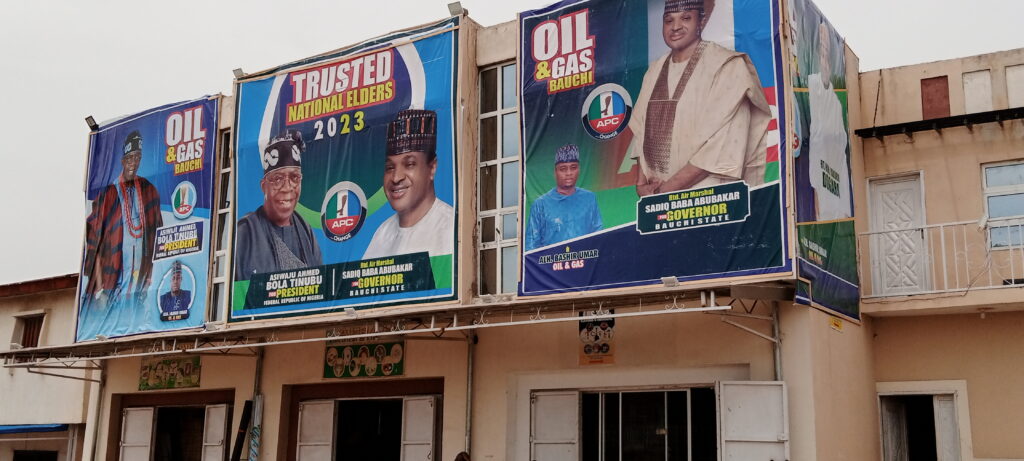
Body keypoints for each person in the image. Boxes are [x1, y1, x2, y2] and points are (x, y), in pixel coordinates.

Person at [630, 0, 772, 196]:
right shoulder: (653, 71)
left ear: (701, 21)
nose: (676, 27)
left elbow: (724, 144)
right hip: (656, 200)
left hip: (709, 197)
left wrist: (666, 189)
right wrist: (641, 184)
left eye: (686, 18)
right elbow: (640, 130)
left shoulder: (728, 66)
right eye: (669, 20)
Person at [82, 130, 163, 309]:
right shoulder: (108, 195)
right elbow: (94, 243)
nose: (133, 163)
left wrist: (150, 279)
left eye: (137, 157)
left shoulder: (149, 191)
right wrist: (100, 288)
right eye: (129, 158)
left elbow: (158, 238)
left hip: (140, 285)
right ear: (122, 161)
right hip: (111, 285)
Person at [364, 109, 455, 259]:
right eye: (389, 168)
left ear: (432, 168)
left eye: (410, 164)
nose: (396, 177)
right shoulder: (383, 233)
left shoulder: (450, 228)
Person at [234, 130, 322, 280]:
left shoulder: (306, 231)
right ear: (264, 186)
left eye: (294, 177)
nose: (287, 187)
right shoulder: (246, 232)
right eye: (277, 179)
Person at [807, 20, 852, 220]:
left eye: (827, 50)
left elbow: (842, 159)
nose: (824, 56)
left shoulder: (837, 103)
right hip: (821, 204)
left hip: (836, 202)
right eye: (821, 49)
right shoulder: (812, 84)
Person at [525, 144, 602, 251]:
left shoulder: (589, 199)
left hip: (585, 263)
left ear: (579, 170)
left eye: (573, 167)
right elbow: (531, 247)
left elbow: (598, 237)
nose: (569, 173)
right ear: (555, 172)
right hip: (552, 265)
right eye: (563, 169)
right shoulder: (540, 205)